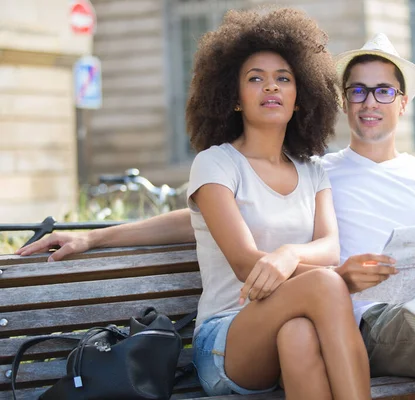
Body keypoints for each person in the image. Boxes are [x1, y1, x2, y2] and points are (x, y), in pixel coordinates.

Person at [18, 32, 415, 399]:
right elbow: (215, 224)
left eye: (382, 91)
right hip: (318, 327)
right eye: (358, 91)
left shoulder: (341, 172)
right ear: (342, 100)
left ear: (402, 101)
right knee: (316, 298)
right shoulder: (274, 164)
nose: (369, 101)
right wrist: (96, 240)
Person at [36, 8, 375, 400]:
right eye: (255, 79)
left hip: (289, 328)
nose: (271, 88)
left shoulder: (313, 171)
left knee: (299, 335)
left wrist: (285, 254)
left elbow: (330, 247)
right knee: (326, 281)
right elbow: (246, 263)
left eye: (284, 79)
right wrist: (93, 240)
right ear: (233, 99)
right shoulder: (216, 163)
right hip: (226, 341)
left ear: (301, 98)